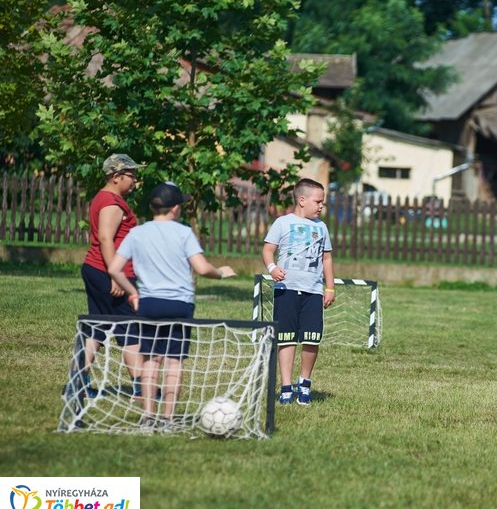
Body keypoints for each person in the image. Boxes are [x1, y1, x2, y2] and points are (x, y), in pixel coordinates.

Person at [108, 181, 236, 430]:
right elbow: (201, 268)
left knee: (150, 360)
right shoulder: (183, 232)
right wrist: (220, 272)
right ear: (175, 208)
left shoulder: (137, 233)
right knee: (174, 362)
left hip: (149, 304)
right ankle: (167, 418)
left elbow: (114, 269)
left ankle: (148, 416)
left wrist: (133, 292)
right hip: (179, 305)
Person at [262, 178, 335, 405]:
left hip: (313, 291)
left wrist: (330, 287)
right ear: (302, 200)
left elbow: (327, 258)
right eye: (318, 201)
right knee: (286, 338)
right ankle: (285, 386)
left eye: (322, 202)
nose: (321, 206)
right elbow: (268, 250)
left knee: (312, 338)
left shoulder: (321, 227)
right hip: (287, 290)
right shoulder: (282, 223)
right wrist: (272, 268)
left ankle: (304, 382)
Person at [81, 153, 144, 399]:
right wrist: (116, 276)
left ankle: (79, 381)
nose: (135, 181)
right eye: (131, 175)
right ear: (116, 177)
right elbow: (106, 239)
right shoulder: (111, 203)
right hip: (108, 274)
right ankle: (141, 386)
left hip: (99, 270)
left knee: (97, 328)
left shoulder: (107, 199)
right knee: (130, 330)